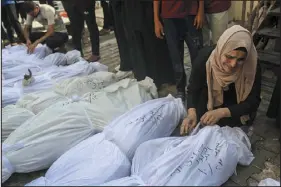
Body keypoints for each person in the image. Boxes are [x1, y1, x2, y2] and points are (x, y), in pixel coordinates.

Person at [180, 25, 262, 135]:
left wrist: (222, 112)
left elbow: (253, 101)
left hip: (235, 111)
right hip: (208, 107)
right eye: (229, 57)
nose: (233, 64)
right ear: (221, 50)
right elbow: (193, 89)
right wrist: (191, 112)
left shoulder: (252, 66)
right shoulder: (205, 59)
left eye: (240, 59)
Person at [154, 0, 204, 101]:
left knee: (197, 55)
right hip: (169, 17)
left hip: (191, 15)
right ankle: (180, 89)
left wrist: (200, 11)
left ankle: (198, 87)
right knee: (176, 57)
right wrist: (156, 21)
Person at [118, 1, 175, 88]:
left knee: (154, 42)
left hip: (148, 8)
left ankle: (162, 77)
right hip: (130, 10)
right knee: (136, 43)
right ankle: (143, 78)